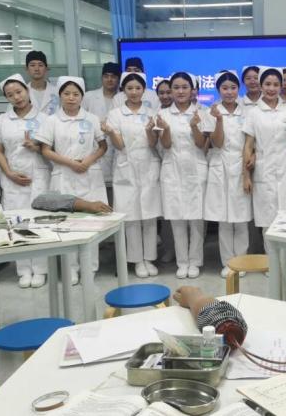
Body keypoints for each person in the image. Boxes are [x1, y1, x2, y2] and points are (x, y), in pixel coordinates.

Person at [36, 76, 108, 284]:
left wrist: (87, 161)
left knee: (91, 223)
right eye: (66, 93)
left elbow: (103, 146)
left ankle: (90, 267)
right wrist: (70, 163)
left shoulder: (91, 118)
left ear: (82, 97)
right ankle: (71, 269)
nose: (71, 97)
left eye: (76, 94)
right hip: (64, 174)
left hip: (89, 174)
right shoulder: (51, 120)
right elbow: (45, 150)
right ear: (60, 96)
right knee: (66, 223)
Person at [0, 73, 51, 288]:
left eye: (19, 92)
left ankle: (41, 269)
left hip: (38, 176)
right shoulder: (1, 120)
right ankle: (24, 270)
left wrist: (34, 147)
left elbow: (51, 150)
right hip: (12, 179)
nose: (16, 97)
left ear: (27, 91)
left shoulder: (44, 118)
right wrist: (8, 173)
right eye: (10, 95)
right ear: (6, 98)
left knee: (38, 223)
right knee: (17, 223)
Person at [103, 72, 162, 279]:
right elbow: (119, 145)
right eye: (130, 88)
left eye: (138, 88)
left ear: (144, 90)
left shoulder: (152, 112)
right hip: (125, 167)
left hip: (148, 165)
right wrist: (111, 132)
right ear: (123, 90)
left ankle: (149, 258)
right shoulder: (115, 114)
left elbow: (153, 143)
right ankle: (137, 260)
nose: (134, 92)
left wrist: (150, 131)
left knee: (149, 215)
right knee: (131, 217)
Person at [242, 68, 286, 251]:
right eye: (268, 84)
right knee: (267, 221)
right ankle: (272, 262)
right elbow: (248, 145)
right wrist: (246, 176)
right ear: (261, 86)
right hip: (264, 169)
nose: (271, 88)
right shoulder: (253, 113)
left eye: (276, 84)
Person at [158, 71, 209, 279]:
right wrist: (166, 129)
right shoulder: (162, 114)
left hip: (196, 168)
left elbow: (202, 144)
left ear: (192, 90)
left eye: (184, 87)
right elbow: (165, 145)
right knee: (177, 218)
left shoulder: (202, 112)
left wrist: (194, 126)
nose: (180, 91)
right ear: (170, 90)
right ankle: (182, 262)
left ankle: (195, 261)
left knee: (196, 219)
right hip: (172, 170)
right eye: (176, 87)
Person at [202, 72, 253, 278]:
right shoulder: (211, 111)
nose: (229, 92)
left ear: (238, 89)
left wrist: (250, 165)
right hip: (220, 165)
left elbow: (251, 141)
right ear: (218, 90)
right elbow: (217, 142)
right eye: (225, 88)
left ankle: (241, 261)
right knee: (224, 219)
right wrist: (219, 120)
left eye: (233, 88)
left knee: (241, 218)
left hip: (242, 165)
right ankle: (228, 263)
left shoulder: (247, 112)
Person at [82, 62, 121, 186]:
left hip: (118, 148)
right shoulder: (89, 97)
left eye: (113, 76)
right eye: (106, 76)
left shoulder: (124, 98)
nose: (109, 79)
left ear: (119, 79)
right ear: (101, 78)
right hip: (94, 149)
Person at [24, 50, 60, 115]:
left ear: (46, 68)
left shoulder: (57, 92)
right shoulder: (21, 93)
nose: (36, 69)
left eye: (40, 65)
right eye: (32, 65)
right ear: (27, 68)